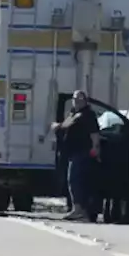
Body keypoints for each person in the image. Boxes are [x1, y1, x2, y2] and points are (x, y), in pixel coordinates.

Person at [51, 90, 100, 221]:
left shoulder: (87, 115)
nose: (76, 101)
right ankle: (79, 209)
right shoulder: (74, 114)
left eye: (79, 99)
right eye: (74, 99)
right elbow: (66, 126)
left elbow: (94, 134)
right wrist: (58, 127)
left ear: (85, 101)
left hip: (82, 153)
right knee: (73, 181)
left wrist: (96, 148)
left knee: (75, 181)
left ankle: (79, 209)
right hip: (72, 153)